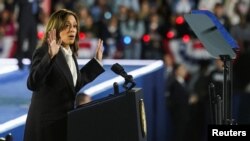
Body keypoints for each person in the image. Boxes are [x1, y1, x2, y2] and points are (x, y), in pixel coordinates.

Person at [24, 9, 105, 141]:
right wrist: (50, 56)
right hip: (45, 129)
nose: (72, 29)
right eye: (67, 25)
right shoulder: (44, 51)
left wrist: (96, 63)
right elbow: (33, 83)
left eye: (74, 26)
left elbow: (72, 86)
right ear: (55, 28)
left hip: (62, 125)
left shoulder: (70, 53)